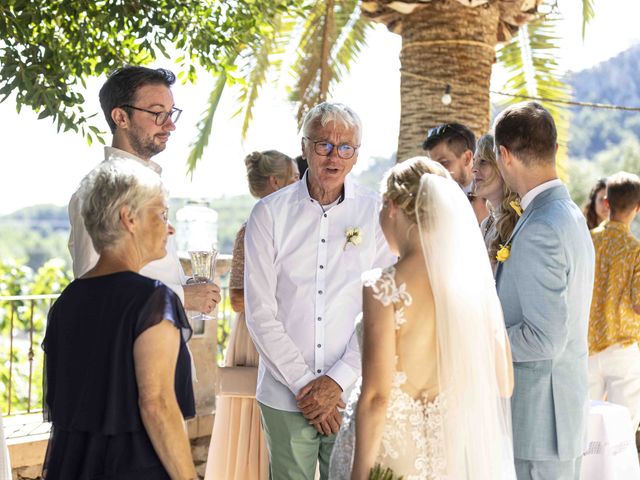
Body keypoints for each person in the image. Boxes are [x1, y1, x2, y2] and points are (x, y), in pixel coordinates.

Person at [328, 156, 515, 479]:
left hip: (388, 452)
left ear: (391, 207)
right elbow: (504, 383)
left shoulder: (382, 286)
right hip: (448, 453)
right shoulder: (471, 287)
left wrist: (358, 475)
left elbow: (376, 397)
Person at [244, 102, 395, 480]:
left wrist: (336, 382)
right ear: (305, 146)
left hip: (353, 391)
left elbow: (382, 306)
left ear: (357, 154)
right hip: (284, 393)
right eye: (323, 145)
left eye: (346, 148)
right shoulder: (268, 213)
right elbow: (260, 312)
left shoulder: (375, 212)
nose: (334, 156)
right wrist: (305, 386)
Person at [43, 159, 197, 479]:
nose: (169, 227)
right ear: (129, 218)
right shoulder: (153, 301)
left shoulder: (66, 302)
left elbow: (60, 409)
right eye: (162, 214)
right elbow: (157, 405)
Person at [493, 101, 595, 480]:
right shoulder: (566, 213)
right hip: (553, 420)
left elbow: (544, 338)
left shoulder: (541, 226)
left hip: (538, 423)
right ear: (554, 148)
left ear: (504, 156)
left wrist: (476, 342)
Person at [68, 65, 219, 315]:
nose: (170, 125)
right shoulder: (99, 192)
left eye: (171, 113)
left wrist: (187, 291)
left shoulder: (149, 182)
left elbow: (152, 277)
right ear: (121, 118)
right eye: (158, 113)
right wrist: (182, 296)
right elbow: (94, 289)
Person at [204, 150, 299, 480]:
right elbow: (237, 299)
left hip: (290, 332)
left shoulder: (300, 227)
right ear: (276, 182)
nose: (300, 183)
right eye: (293, 177)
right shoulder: (250, 230)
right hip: (257, 337)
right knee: (255, 423)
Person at [588, 172, 640, 432]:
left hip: (586, 348)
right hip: (623, 349)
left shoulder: (587, 240)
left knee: (586, 430)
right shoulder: (635, 249)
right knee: (623, 434)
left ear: (606, 203)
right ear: (638, 208)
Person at [423, 122, 489, 223]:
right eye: (433, 165)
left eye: (443, 163)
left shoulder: (492, 195)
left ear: (467, 158)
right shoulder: (433, 200)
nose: (435, 171)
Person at [472, 134, 520, 271]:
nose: (474, 168)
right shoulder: (485, 225)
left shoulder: (520, 223)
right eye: (474, 161)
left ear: (502, 166)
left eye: (483, 162)